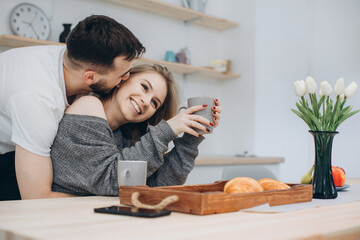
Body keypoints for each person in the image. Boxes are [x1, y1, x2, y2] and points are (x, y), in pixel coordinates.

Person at [0, 15, 145, 201]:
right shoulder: (37, 101)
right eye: (123, 75)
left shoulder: (75, 57)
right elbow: (36, 197)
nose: (126, 79)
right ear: (90, 78)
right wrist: (109, 200)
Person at [50, 64, 221, 196]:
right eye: (144, 87)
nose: (146, 101)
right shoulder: (88, 105)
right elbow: (112, 180)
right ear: (123, 79)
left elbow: (158, 186)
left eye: (154, 103)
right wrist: (167, 129)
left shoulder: (125, 137)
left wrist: (192, 135)